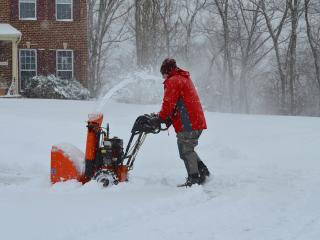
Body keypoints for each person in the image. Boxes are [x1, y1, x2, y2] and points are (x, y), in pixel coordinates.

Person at [157, 58, 210, 187]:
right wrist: (165, 116)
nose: (163, 77)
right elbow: (177, 104)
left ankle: (194, 178)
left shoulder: (173, 81)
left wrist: (161, 117)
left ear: (167, 71)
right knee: (187, 148)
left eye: (163, 74)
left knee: (185, 150)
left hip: (189, 123)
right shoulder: (183, 78)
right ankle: (203, 171)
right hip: (195, 120)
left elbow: (169, 103)